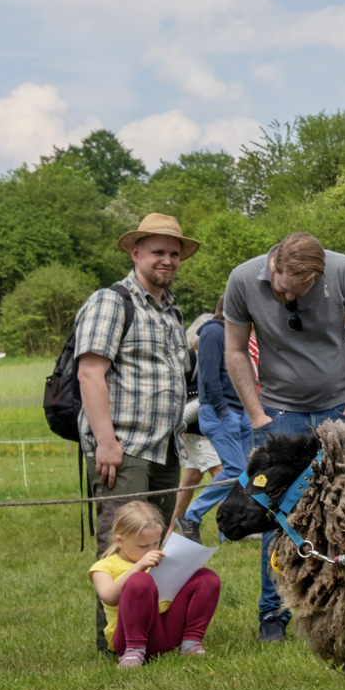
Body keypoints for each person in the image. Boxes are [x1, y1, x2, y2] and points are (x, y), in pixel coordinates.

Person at [221, 230, 345, 642]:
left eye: (297, 291)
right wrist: (257, 415)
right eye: (279, 286)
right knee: (273, 513)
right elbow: (235, 350)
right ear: (274, 266)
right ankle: (273, 614)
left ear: (317, 276)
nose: (285, 296)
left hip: (340, 408)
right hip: (280, 413)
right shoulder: (242, 279)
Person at [74, 214, 197, 554]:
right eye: (158, 252)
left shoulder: (172, 312)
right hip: (124, 451)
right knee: (121, 552)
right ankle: (113, 611)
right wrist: (106, 442)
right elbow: (89, 374)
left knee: (153, 550)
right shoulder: (111, 301)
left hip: (166, 450)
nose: (168, 261)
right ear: (135, 253)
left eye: (174, 254)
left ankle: (148, 610)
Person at [89, 500, 220, 666]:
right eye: (143, 545)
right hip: (129, 640)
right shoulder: (104, 566)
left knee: (207, 577)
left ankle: (191, 642)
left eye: (156, 543)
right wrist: (138, 567)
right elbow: (108, 596)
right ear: (120, 541)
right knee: (140, 580)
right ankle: (134, 652)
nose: (151, 550)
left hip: (167, 633)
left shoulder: (160, 558)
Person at [175, 311, 251, 542]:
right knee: (233, 470)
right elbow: (208, 376)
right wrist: (222, 409)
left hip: (240, 410)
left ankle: (228, 529)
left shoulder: (236, 333)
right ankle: (190, 516)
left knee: (243, 473)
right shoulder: (213, 331)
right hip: (220, 412)